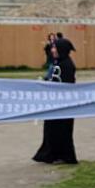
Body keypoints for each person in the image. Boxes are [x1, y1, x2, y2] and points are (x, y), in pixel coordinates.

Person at [33, 36, 78, 164]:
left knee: (61, 131)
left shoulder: (67, 65)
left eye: (55, 47)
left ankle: (63, 155)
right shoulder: (58, 63)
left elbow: (66, 86)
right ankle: (50, 154)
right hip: (54, 104)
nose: (52, 50)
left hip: (63, 106)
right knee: (51, 129)